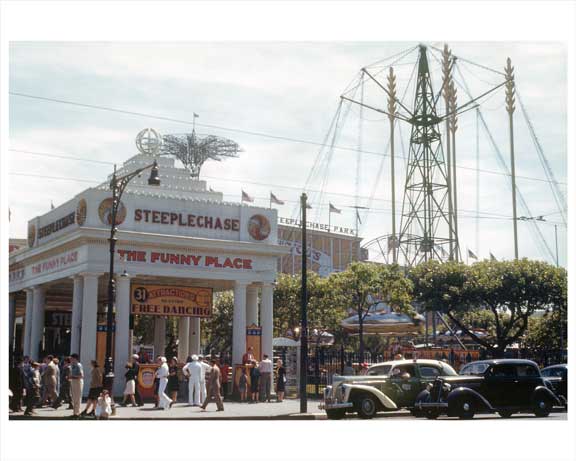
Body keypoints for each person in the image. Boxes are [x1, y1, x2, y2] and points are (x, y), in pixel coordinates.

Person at [68, 353, 84, 418]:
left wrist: (71, 377)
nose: (70, 359)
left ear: (75, 358)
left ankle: (77, 413)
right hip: (74, 381)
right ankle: (75, 412)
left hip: (77, 382)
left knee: (77, 397)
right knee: (74, 398)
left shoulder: (78, 365)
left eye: (71, 358)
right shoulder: (73, 365)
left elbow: (81, 376)